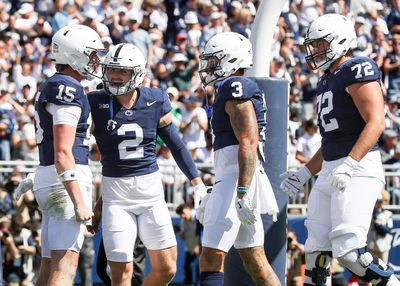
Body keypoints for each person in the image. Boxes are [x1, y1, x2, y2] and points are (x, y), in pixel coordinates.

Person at [280, 14, 400, 285]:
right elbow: (331, 140)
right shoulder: (326, 79)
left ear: (340, 41)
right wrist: (304, 174)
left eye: (321, 44)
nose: (316, 51)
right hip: (331, 168)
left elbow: (376, 122)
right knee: (315, 250)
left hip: (357, 168)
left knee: (349, 252)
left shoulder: (356, 67)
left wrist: (350, 163)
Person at [87, 43, 207, 286]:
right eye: (111, 70)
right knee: (121, 275)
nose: (115, 76)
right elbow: (73, 145)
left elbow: (177, 145)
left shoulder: (155, 99)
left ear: (139, 74)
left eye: (123, 72)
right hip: (116, 198)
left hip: (151, 195)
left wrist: (197, 183)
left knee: (167, 268)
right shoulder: (94, 102)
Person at [197, 31, 280, 286]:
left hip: (237, 178)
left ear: (230, 60)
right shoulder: (230, 88)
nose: (209, 67)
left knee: (211, 258)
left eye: (214, 61)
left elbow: (248, 139)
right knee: (254, 259)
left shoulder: (234, 87)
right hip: (238, 176)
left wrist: (241, 191)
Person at [32, 24, 105, 286]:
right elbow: (63, 151)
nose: (95, 61)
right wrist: (78, 200)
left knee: (49, 267)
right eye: (92, 55)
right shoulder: (67, 88)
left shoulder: (53, 84)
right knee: (65, 268)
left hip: (50, 178)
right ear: (76, 55)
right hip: (64, 182)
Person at [176, 203, 200, 285]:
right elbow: (183, 238)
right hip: (190, 248)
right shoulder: (183, 221)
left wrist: (198, 246)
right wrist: (179, 232)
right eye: (180, 215)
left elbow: (202, 233)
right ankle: (188, 283)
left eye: (183, 213)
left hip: (201, 247)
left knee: (199, 267)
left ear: (188, 208)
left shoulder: (198, 216)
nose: (182, 216)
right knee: (187, 266)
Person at [367, 191, 394, 264]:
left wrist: (378, 224)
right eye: (377, 201)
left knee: (383, 267)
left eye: (380, 201)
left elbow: (388, 230)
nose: (379, 204)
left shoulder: (388, 214)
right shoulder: (369, 213)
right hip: (371, 247)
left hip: (383, 247)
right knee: (370, 269)